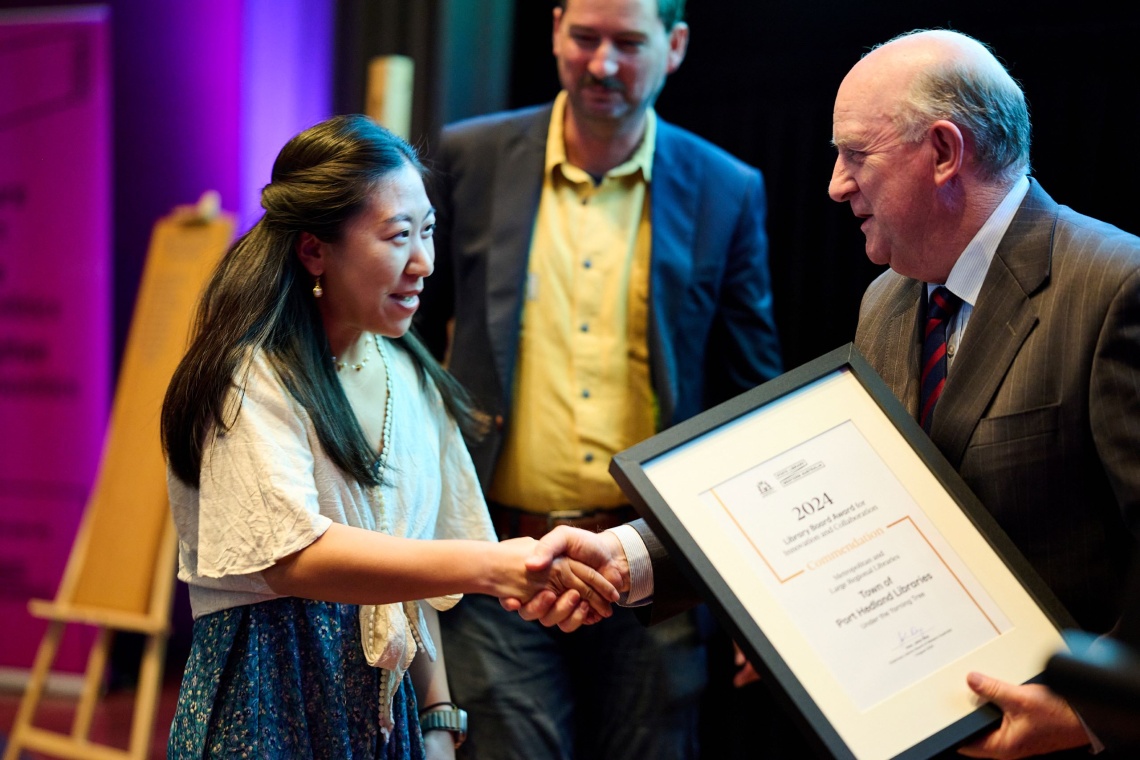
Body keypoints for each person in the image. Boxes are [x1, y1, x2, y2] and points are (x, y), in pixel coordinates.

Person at [516, 27, 1140, 760]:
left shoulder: (1115, 287)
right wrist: (629, 557)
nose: (836, 184)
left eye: (856, 154)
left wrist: (1091, 716)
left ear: (943, 152)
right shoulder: (890, 299)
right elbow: (843, 499)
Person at [160, 115, 617, 760]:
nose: (424, 263)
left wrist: (437, 717)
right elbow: (295, 557)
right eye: (399, 236)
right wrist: (497, 567)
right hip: (270, 691)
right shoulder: (252, 374)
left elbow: (416, 572)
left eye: (428, 231)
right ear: (314, 249)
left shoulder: (408, 373)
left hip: (384, 706)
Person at [414, 0, 782, 756]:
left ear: (675, 45)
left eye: (627, 43)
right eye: (584, 38)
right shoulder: (469, 158)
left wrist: (759, 595)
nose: (602, 64)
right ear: (554, 32)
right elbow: (409, 342)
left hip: (655, 571)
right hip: (500, 561)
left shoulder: (726, 188)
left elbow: (754, 398)